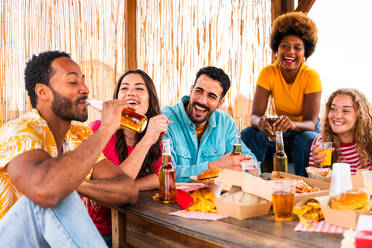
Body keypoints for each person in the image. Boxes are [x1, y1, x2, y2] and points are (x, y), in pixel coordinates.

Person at [0, 50, 139, 247]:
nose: (85, 89)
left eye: (83, 81)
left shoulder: (79, 135)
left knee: (60, 190)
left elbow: (129, 190)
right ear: (43, 92)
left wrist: (77, 184)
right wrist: (107, 128)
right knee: (51, 195)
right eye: (73, 82)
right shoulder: (20, 130)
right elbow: (45, 190)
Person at [86, 69, 169, 245]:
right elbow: (118, 183)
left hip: (134, 226)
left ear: (150, 99)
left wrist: (129, 189)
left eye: (139, 88)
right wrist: (147, 140)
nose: (131, 92)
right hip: (97, 231)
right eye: (124, 88)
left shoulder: (153, 134)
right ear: (116, 100)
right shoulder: (101, 130)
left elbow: (162, 176)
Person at [241, 12, 321, 176]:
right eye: (285, 46)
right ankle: (250, 183)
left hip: (301, 131)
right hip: (276, 134)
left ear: (305, 52)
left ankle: (303, 187)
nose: (290, 52)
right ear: (276, 49)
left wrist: (292, 124)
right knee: (248, 133)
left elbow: (311, 123)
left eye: (297, 47)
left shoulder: (311, 76)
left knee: (307, 138)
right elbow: (254, 116)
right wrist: (261, 122)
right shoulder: (268, 73)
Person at [162, 66, 256, 183]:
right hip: (175, 198)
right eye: (198, 91)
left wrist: (249, 169)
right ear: (191, 90)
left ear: (220, 103)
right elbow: (164, 173)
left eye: (211, 96)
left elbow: (252, 163)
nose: (202, 101)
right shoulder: (166, 120)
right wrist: (213, 167)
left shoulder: (226, 123)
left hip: (215, 197)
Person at [309, 88, 372, 174]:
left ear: (360, 116)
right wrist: (318, 168)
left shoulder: (370, 142)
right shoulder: (321, 143)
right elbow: (315, 185)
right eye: (333, 109)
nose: (337, 115)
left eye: (345, 111)